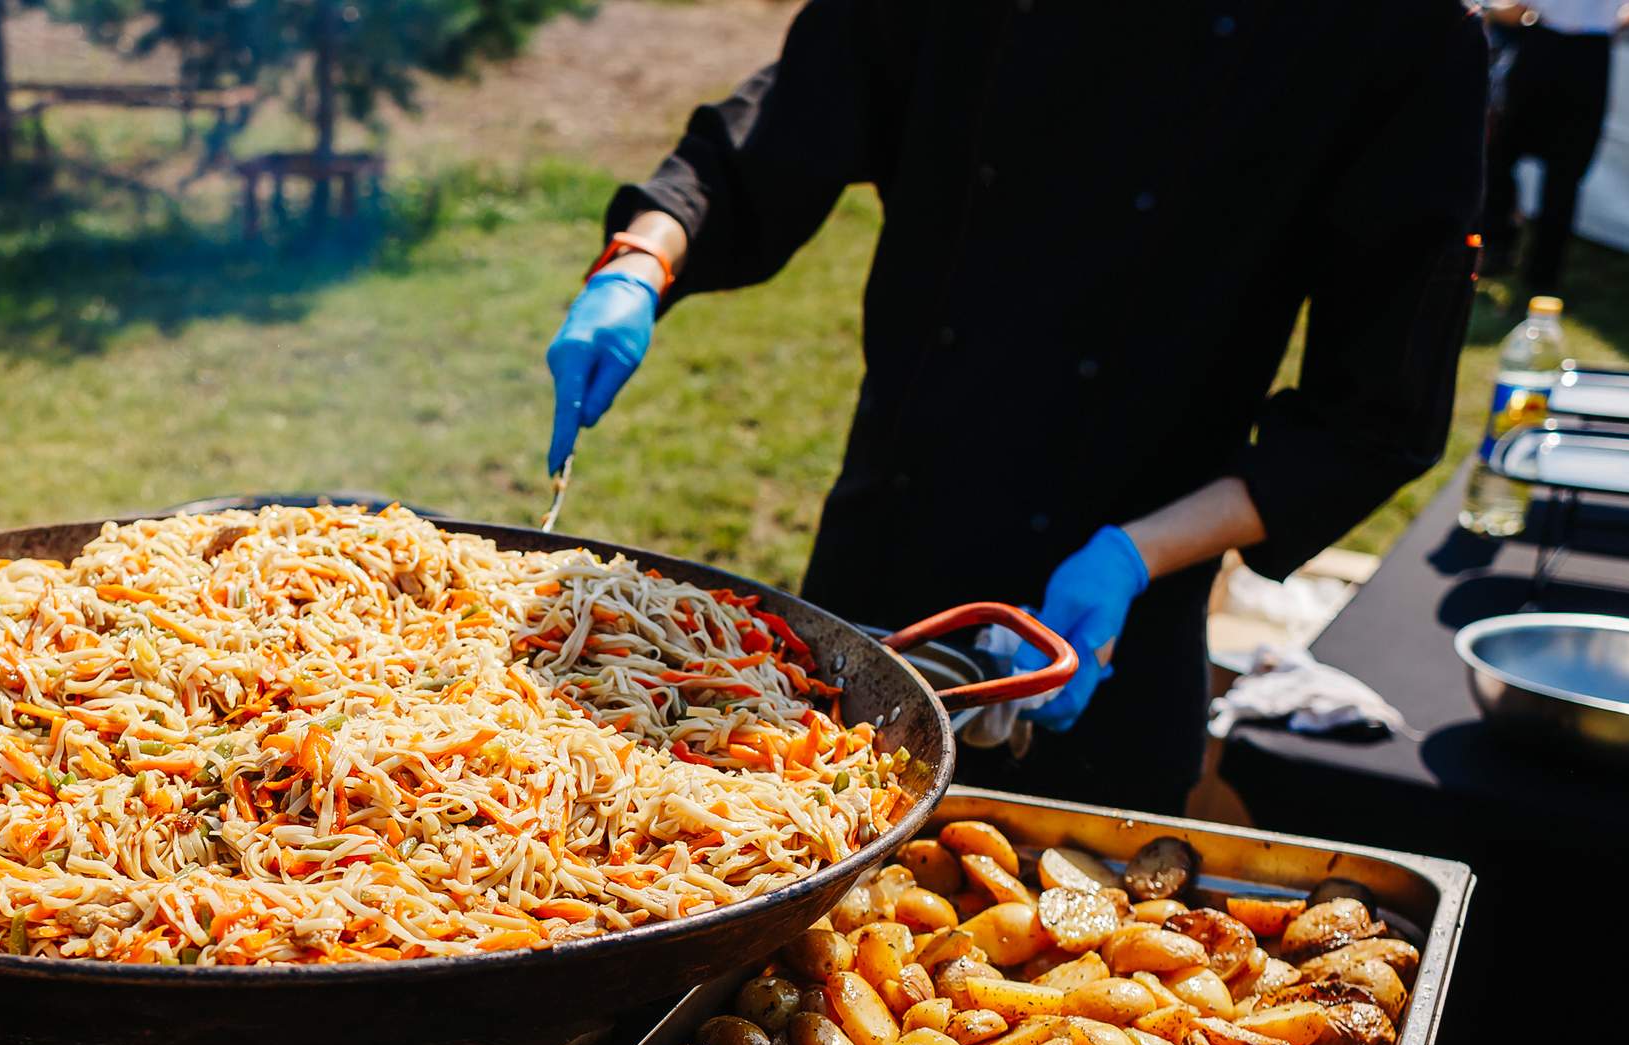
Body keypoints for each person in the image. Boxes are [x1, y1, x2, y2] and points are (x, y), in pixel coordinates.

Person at [544, 1, 1489, 814]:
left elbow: (1374, 418)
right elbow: (783, 122)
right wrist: (643, 259)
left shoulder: (1395, 33)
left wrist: (1135, 555)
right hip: (876, 577)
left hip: (1118, 640)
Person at [1480, 0, 1629, 291]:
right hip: (1584, 51)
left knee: (1517, 157)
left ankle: (1510, 252)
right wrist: (1609, 24)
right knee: (1546, 166)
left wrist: (1492, 13)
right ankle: (1536, 268)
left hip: (1554, 47)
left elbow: (1514, 10)